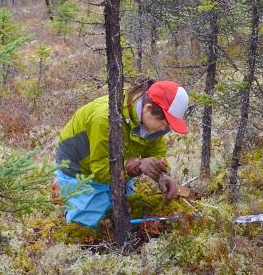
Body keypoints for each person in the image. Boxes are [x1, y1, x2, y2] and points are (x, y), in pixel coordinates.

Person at [53, 79, 189, 229]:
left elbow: (157, 152)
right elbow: (100, 172)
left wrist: (163, 175)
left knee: (126, 214)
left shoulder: (152, 123)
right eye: (164, 124)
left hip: (116, 166)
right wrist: (135, 165)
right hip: (78, 170)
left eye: (168, 126)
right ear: (147, 109)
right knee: (89, 226)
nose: (164, 129)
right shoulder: (105, 119)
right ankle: (66, 194)